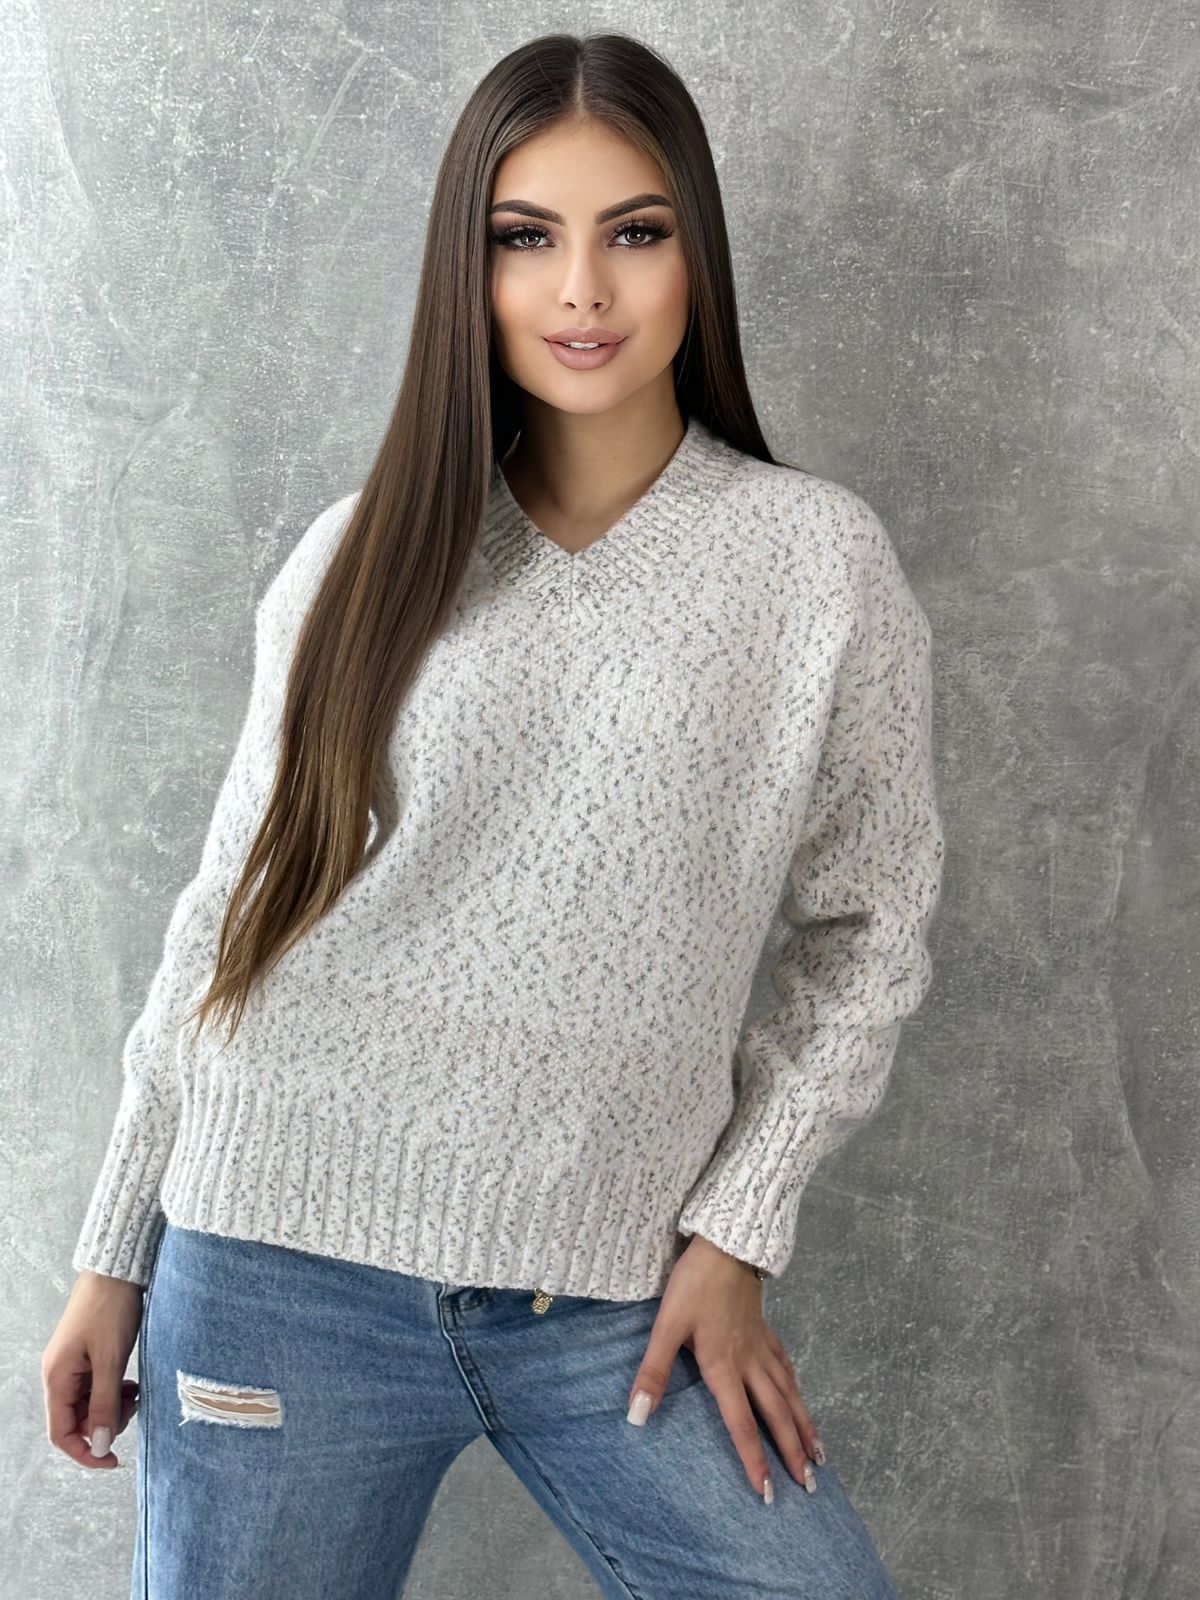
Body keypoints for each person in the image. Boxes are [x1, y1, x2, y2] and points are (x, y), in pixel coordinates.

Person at [41, 29, 945, 1600]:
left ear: (696, 254)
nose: (582, 289)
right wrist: (115, 1250)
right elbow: (227, 912)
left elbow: (869, 934)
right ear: (469, 269)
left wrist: (739, 1231)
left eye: (634, 233)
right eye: (526, 238)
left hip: (614, 1287)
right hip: (278, 1263)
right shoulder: (359, 554)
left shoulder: (817, 562)